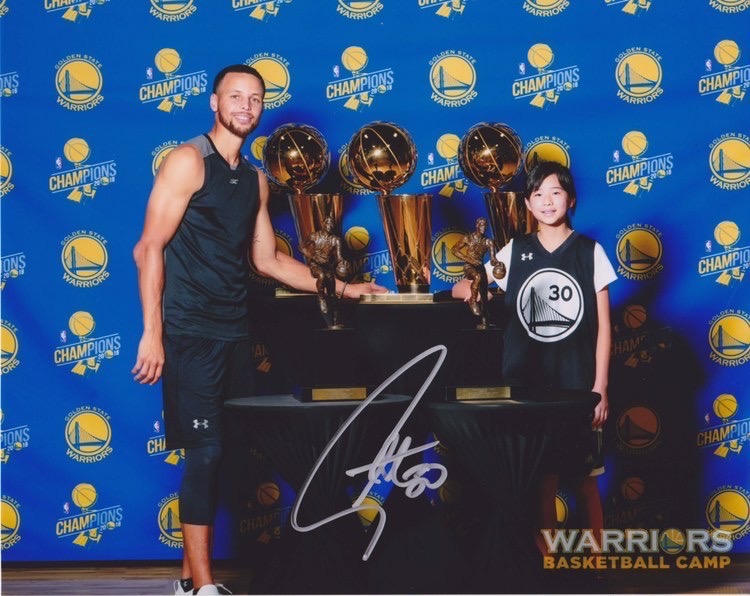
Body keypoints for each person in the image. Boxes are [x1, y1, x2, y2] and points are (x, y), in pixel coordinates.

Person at [131, 64, 385, 596]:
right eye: (235, 96)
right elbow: (147, 247)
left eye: (256, 99)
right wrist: (152, 333)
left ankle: (185, 582)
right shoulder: (186, 161)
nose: (246, 106)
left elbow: (270, 261)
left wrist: (343, 288)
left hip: (234, 333)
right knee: (204, 454)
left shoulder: (254, 179)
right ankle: (203, 587)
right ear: (213, 102)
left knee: (225, 454)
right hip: (190, 333)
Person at [452, 161, 616, 556]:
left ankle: (595, 564)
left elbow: (605, 327)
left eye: (555, 192)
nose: (547, 201)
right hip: (527, 387)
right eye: (538, 194)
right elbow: (463, 288)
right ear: (527, 204)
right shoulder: (516, 250)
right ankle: (547, 566)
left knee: (584, 480)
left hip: (577, 387)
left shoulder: (590, 252)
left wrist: (600, 387)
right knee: (541, 480)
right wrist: (481, 292)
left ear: (571, 199)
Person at [450, 216, 504, 328]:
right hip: (469, 267)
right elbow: (454, 250)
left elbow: (493, 259)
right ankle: (472, 300)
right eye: (481, 225)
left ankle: (486, 321)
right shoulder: (468, 238)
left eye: (485, 225)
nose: (483, 227)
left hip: (480, 267)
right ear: (477, 225)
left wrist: (498, 263)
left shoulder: (489, 242)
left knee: (483, 293)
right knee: (478, 277)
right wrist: (468, 259)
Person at [299, 216, 350, 329]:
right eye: (328, 223)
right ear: (324, 224)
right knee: (321, 276)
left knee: (332, 294)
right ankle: (321, 297)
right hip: (315, 265)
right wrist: (313, 256)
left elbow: (338, 257)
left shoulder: (335, 240)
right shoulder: (314, 236)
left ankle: (336, 320)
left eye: (332, 224)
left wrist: (343, 262)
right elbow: (302, 247)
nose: (330, 226)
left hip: (328, 267)